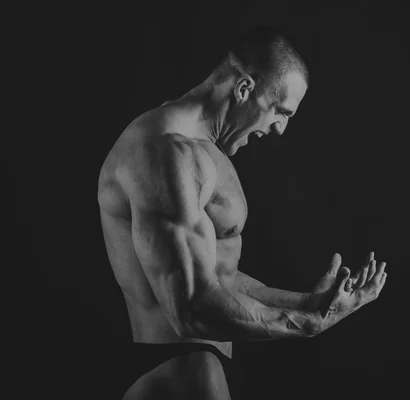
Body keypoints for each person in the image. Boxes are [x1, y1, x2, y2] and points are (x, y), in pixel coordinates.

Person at [97, 26, 388, 400]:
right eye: (279, 111)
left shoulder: (201, 150)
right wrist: (305, 324)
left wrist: (309, 304)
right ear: (244, 88)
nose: (281, 129)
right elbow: (190, 309)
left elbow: (219, 276)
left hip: (194, 367)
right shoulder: (164, 155)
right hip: (182, 370)